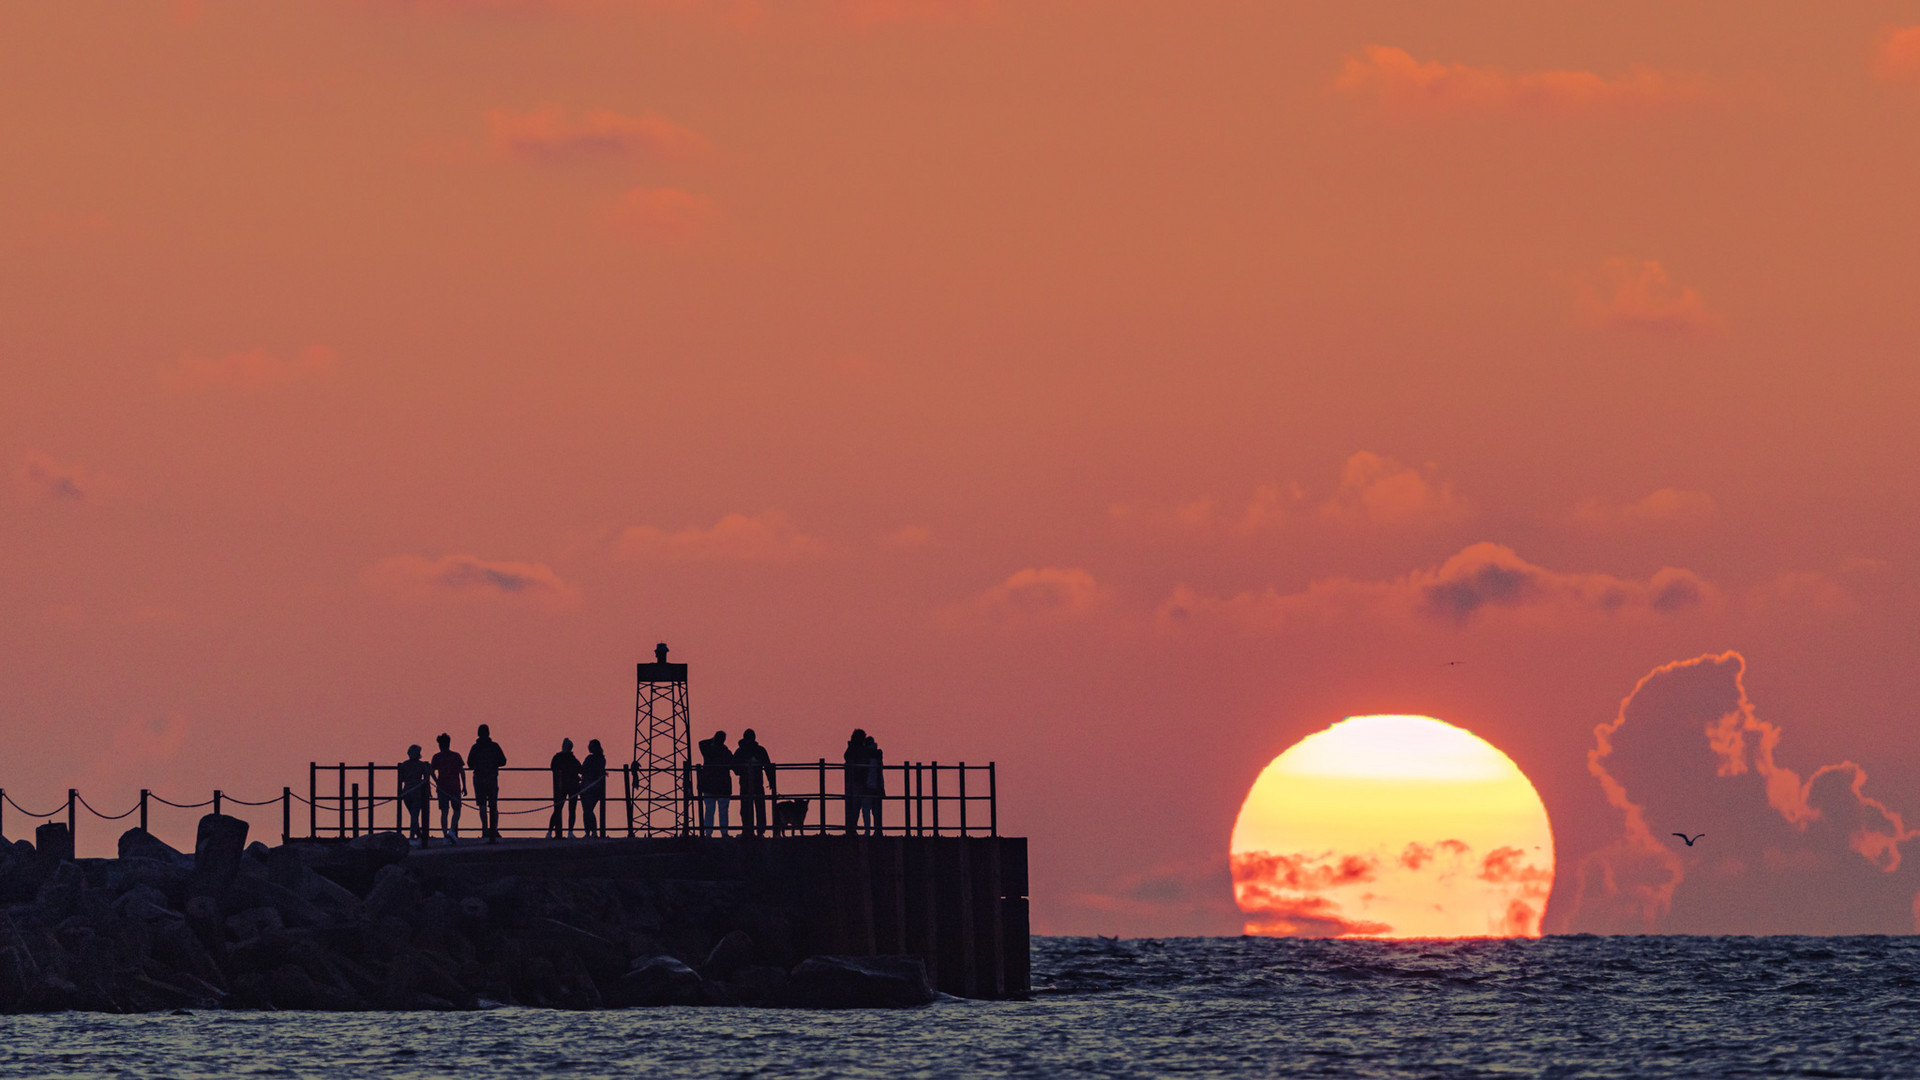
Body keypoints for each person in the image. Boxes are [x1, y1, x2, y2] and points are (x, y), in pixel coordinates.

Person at [733, 729, 776, 839]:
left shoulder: (740, 751)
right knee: (760, 806)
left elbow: (735, 769)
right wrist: (772, 781)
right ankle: (760, 831)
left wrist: (744, 769)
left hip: (744, 782)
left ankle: (747, 831)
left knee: (745, 807)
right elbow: (767, 766)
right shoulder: (760, 750)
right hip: (758, 782)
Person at [469, 724, 507, 843]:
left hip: (479, 778)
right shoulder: (494, 746)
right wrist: (493, 764)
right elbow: (503, 761)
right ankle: (493, 829)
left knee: (482, 805)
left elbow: (469, 763)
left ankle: (485, 828)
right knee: (493, 805)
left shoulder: (475, 747)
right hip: (492, 778)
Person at [429, 733, 465, 843]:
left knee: (444, 812)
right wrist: (465, 786)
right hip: (455, 786)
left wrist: (436, 781)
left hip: (442, 787)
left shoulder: (437, 757)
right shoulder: (456, 756)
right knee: (457, 810)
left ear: (439, 745)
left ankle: (445, 835)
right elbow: (461, 771)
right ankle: (452, 830)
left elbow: (431, 771)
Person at [697, 729, 733, 837]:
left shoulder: (708, 750)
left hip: (709, 785)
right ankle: (724, 832)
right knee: (723, 810)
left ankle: (708, 833)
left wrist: (712, 740)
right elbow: (733, 764)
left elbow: (701, 743)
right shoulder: (726, 752)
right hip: (723, 786)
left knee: (709, 810)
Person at [397, 744, 432, 845]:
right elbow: (426, 780)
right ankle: (412, 837)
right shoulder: (422, 765)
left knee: (413, 814)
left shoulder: (404, 765)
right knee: (415, 814)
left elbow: (401, 779)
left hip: (406, 791)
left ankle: (418, 835)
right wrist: (429, 792)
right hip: (417, 791)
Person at [548, 738, 582, 838]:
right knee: (571, 809)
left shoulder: (558, 757)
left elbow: (553, 767)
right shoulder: (572, 758)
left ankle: (550, 831)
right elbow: (580, 769)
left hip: (561, 786)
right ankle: (570, 831)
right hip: (572, 785)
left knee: (558, 809)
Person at [842, 728, 869, 836]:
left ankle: (850, 829)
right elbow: (864, 761)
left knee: (850, 805)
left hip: (849, 781)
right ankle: (852, 829)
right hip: (858, 781)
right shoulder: (859, 750)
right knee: (855, 806)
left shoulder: (850, 749)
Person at [580, 739, 608, 838]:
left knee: (587, 810)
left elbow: (582, 769)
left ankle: (589, 832)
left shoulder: (590, 758)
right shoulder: (602, 759)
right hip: (596, 787)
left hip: (588, 787)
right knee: (589, 810)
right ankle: (593, 831)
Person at [860, 733, 885, 837]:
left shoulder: (865, 756)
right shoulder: (878, 755)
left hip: (868, 786)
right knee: (876, 810)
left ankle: (867, 831)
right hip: (878, 786)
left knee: (866, 809)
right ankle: (877, 831)